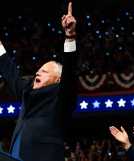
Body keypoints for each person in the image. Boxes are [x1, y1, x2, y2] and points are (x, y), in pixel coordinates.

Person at [0, 2, 77, 161]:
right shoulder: (28, 91)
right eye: (38, 70)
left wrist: (70, 36)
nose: (37, 72)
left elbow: (70, 74)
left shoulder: (61, 97)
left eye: (44, 71)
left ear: (57, 79)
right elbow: (10, 71)